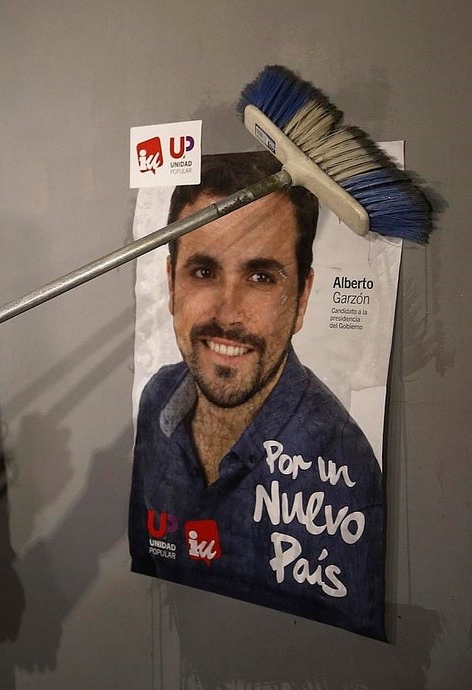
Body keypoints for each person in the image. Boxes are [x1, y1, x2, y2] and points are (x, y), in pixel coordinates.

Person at [128, 151, 386, 640]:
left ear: (302, 299)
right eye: (203, 272)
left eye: (261, 277)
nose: (228, 313)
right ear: (171, 283)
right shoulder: (157, 397)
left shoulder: (344, 463)